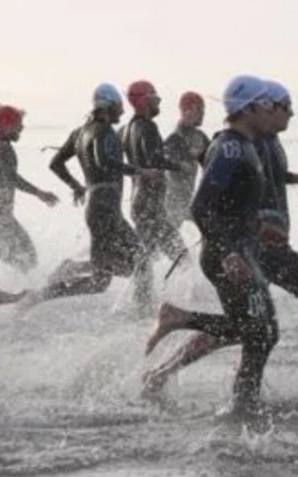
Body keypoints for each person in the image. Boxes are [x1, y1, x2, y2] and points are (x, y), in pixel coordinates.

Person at [143, 79, 295, 401]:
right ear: (253, 108)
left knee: (254, 330)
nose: (288, 114)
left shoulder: (249, 144)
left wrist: (259, 225)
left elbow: (238, 199)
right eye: (279, 106)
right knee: (258, 331)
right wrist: (229, 251)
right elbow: (202, 204)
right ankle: (242, 409)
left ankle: (237, 403)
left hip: (247, 247)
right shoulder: (232, 145)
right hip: (235, 252)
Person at [26, 84, 162, 312]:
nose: (122, 111)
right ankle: (143, 312)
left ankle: (48, 288)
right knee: (141, 263)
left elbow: (55, 164)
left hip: (97, 206)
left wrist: (77, 186)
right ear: (109, 106)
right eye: (119, 107)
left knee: (104, 278)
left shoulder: (79, 132)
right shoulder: (104, 131)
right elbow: (104, 161)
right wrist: (142, 171)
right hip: (106, 208)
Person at [0, 106, 59, 272]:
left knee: (25, 257)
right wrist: (39, 193)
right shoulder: (3, 147)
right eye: (18, 123)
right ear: (6, 124)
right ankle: (32, 291)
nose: (22, 127)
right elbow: (12, 178)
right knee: (29, 258)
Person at [121, 81, 187, 263]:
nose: (158, 104)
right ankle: (184, 292)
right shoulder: (148, 126)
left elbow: (120, 165)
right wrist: (179, 166)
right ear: (143, 101)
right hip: (150, 205)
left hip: (139, 202)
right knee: (181, 259)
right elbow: (154, 159)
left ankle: (150, 292)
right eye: (155, 99)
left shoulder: (126, 129)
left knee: (146, 261)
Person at [164, 92, 210, 229]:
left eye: (204, 110)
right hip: (173, 202)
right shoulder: (174, 138)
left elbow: (212, 161)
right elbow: (164, 162)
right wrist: (186, 157)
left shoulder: (200, 136)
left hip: (190, 199)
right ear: (187, 111)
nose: (203, 114)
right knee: (171, 245)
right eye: (199, 110)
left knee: (210, 227)